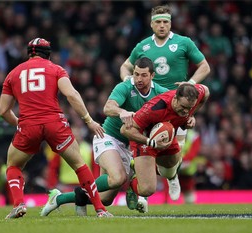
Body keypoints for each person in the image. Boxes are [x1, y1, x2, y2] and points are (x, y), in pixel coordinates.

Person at [40, 57, 168, 216]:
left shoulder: (161, 93)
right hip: (108, 137)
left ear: (152, 76)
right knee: (117, 177)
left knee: (105, 199)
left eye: (143, 75)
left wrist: (188, 118)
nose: (138, 79)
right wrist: (122, 112)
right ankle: (120, 186)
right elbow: (108, 107)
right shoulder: (125, 87)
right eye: (136, 74)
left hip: (129, 146)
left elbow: (176, 106)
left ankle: (59, 199)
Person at [0, 38, 112, 219]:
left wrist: (19, 123)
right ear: (48, 54)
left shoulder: (13, 74)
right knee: (79, 165)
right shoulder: (56, 69)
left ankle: (18, 204)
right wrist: (88, 120)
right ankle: (100, 209)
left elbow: (3, 111)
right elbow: (72, 95)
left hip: (28, 125)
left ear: (29, 53)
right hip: (55, 123)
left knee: (13, 165)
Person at [120, 4, 210, 201]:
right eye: (158, 22)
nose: (162, 26)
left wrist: (191, 83)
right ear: (152, 24)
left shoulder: (184, 42)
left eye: (166, 22)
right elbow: (125, 67)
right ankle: (142, 188)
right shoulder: (143, 46)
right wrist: (129, 84)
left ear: (171, 23)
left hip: (178, 107)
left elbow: (204, 66)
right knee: (148, 147)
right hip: (151, 107)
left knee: (172, 156)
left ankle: (172, 176)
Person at [120, 83, 210, 203]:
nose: (185, 111)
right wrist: (150, 142)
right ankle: (134, 184)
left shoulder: (194, 98)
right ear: (175, 98)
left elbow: (206, 91)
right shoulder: (154, 108)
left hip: (166, 132)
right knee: (147, 189)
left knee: (174, 162)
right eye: (183, 107)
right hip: (144, 137)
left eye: (189, 108)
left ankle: (172, 177)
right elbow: (125, 129)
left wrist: (192, 115)